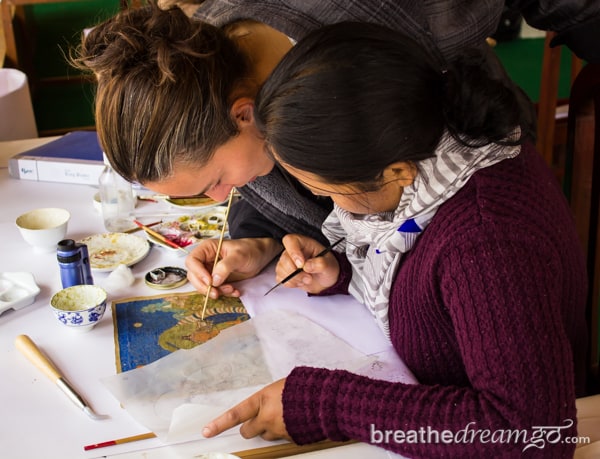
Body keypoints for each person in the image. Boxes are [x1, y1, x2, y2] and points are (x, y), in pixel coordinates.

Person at [199, 22, 588, 457]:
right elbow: (422, 274)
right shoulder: (433, 167)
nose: (329, 205)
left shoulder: (486, 240)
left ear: (396, 172)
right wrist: (343, 270)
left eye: (327, 191)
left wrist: (330, 403)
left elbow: (531, 434)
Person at [73, 1, 600, 301]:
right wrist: (260, 243)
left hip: (475, 222)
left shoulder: (398, 22)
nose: (219, 197)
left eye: (212, 183)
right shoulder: (208, 71)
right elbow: (275, 186)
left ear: (244, 113)